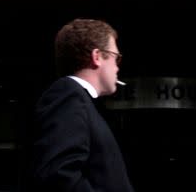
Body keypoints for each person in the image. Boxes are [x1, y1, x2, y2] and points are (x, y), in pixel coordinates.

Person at [31, 18, 134, 192]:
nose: (117, 67)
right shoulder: (68, 95)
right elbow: (59, 175)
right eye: (116, 58)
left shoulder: (81, 101)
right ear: (97, 57)